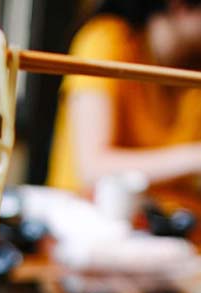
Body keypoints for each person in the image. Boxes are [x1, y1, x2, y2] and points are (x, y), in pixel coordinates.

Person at [47, 0, 201, 194]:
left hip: (173, 218)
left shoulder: (193, 70)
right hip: (88, 214)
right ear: (180, 6)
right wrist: (194, 159)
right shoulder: (107, 40)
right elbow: (93, 168)